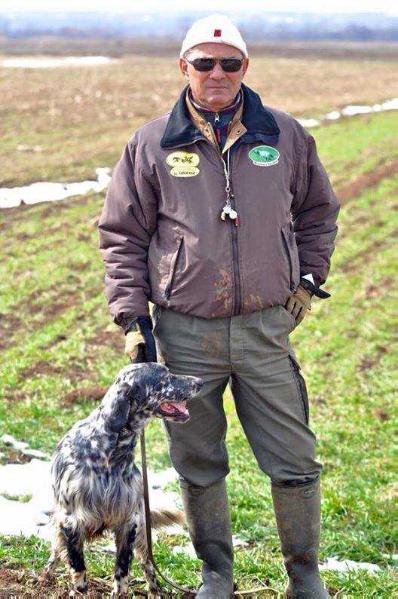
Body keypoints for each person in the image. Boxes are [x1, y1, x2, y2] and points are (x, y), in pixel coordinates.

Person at [98, 14, 339, 598]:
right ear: (184, 67)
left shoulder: (283, 135)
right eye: (204, 62)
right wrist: (133, 318)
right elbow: (123, 235)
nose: (217, 73)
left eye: (229, 62)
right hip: (184, 334)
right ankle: (216, 576)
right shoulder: (152, 142)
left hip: (263, 329)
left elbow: (317, 212)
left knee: (293, 458)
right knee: (198, 460)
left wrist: (307, 280)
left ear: (244, 69)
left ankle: (305, 577)